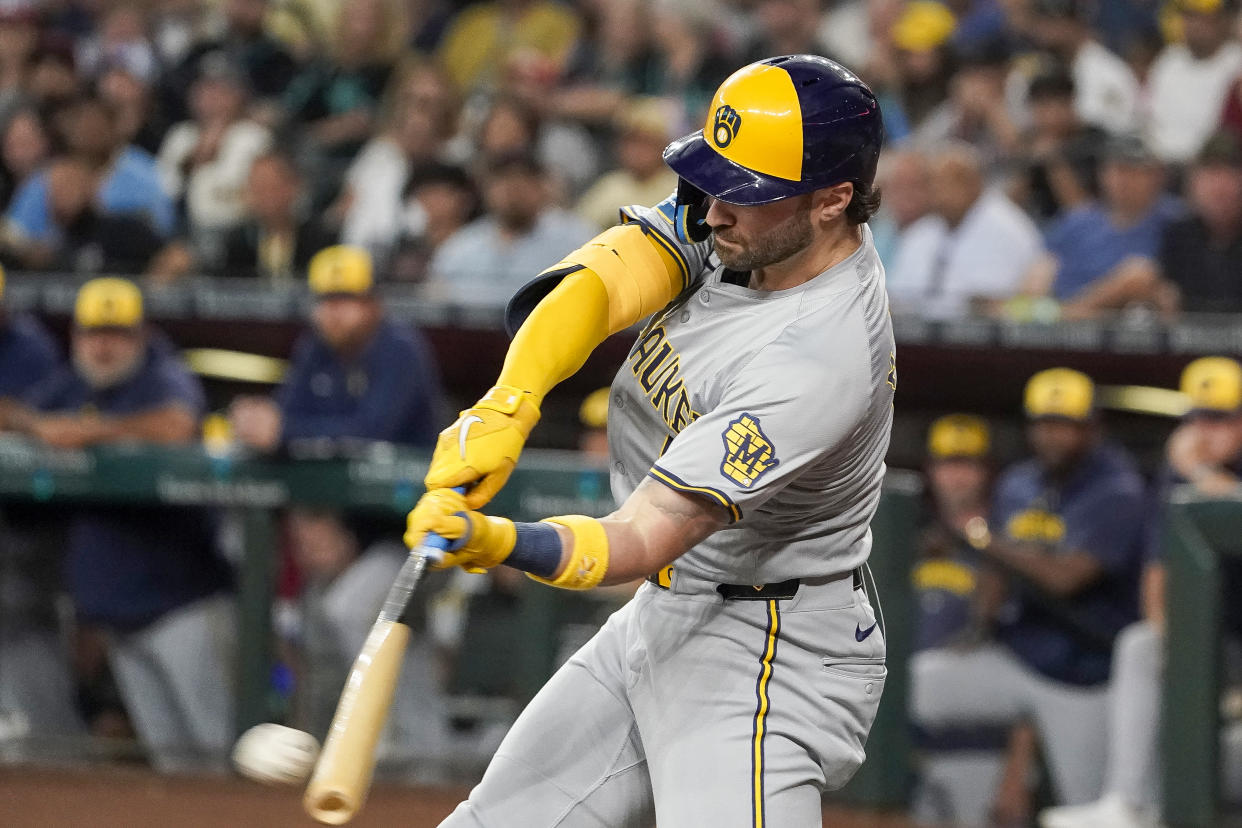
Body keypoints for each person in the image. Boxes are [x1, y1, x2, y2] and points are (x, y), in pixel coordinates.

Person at [404, 54, 894, 825]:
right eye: (717, 180)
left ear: (834, 200)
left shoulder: (817, 358)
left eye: (746, 194)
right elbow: (602, 282)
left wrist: (498, 541)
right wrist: (510, 403)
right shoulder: (755, 230)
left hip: (769, 650)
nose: (715, 211)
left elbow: (640, 539)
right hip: (674, 611)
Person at [0, 277, 235, 773]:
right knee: (172, 765)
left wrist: (88, 432)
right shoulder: (74, 382)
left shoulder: (162, 374)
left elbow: (176, 425)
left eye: (117, 334)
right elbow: (14, 411)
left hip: (183, 607)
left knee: (218, 760)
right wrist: (38, 426)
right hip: (121, 620)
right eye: (92, 333)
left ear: (141, 336)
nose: (103, 346)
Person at [911, 368, 1147, 808]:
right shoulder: (1020, 482)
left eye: (1064, 425)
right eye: (1042, 423)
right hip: (1015, 658)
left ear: (1091, 427)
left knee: (1089, 809)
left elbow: (1067, 578)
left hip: (1083, 678)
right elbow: (997, 571)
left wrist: (983, 539)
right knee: (905, 689)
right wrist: (978, 631)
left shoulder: (1118, 491)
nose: (1051, 436)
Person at [1039, 356, 1242, 828]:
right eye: (1198, 417)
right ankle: (1128, 802)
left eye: (1221, 418)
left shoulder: (1193, 469)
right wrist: (1168, 639)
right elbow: (1157, 568)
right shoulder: (1178, 474)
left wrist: (1202, 476)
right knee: (1140, 646)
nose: (1206, 430)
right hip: (1219, 646)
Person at [230, 245, 442, 453]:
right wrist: (261, 420)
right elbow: (288, 411)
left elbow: (373, 432)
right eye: (326, 300)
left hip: (409, 481)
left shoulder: (400, 348)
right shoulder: (314, 346)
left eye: (346, 299)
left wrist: (285, 431)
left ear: (373, 305)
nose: (334, 313)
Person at [1021, 135, 1182, 315]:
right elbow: (1044, 266)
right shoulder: (1079, 219)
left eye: (1131, 170)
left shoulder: (1174, 221)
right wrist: (1033, 303)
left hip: (1124, 324)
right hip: (1055, 316)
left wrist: (1069, 314)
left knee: (1138, 272)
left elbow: (1150, 281)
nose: (1121, 179)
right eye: (1114, 169)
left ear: (1155, 175)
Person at [888, 142, 1043, 319]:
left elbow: (989, 304)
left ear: (973, 183)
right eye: (932, 182)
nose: (936, 191)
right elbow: (896, 297)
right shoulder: (923, 231)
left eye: (945, 182)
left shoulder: (1006, 227)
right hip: (918, 340)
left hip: (981, 343)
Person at [426, 152, 596, 307]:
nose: (513, 193)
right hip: (473, 338)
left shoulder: (578, 240)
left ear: (541, 186)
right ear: (487, 189)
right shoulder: (460, 248)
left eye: (522, 182)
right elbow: (436, 306)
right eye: (502, 182)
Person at [156, 51, 273, 260]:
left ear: (239, 94)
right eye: (205, 89)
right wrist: (193, 161)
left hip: (240, 233)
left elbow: (262, 195)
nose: (212, 98)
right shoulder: (180, 136)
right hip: (185, 233)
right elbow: (164, 193)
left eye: (222, 89)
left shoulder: (253, 136)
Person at [1144, 0, 1242, 165]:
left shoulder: (1236, 62)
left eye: (1204, 19)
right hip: (1159, 162)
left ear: (1222, 21)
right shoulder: (1168, 60)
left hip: (1210, 163)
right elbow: (1148, 118)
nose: (1195, 26)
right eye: (1190, 18)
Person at [212, 151, 338, 280]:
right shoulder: (237, 243)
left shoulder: (320, 239)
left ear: (293, 187)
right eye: (256, 187)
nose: (263, 196)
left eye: (270, 186)